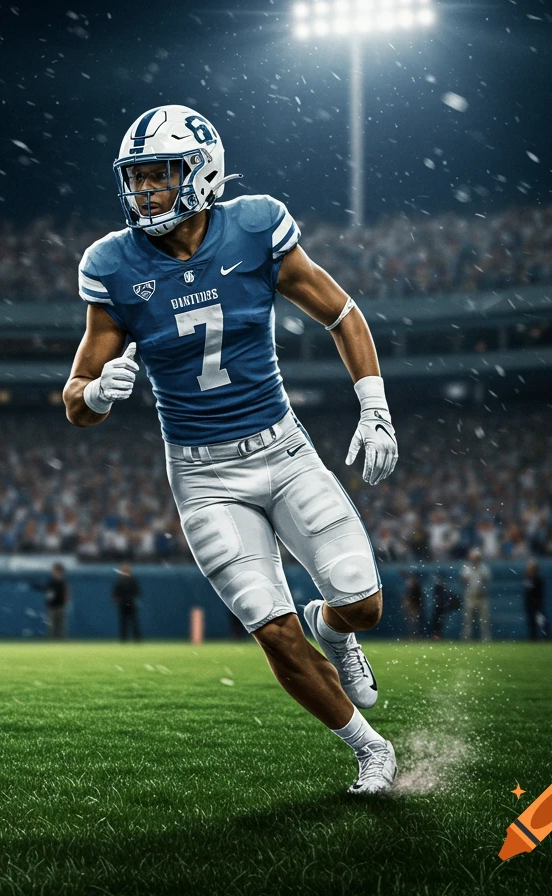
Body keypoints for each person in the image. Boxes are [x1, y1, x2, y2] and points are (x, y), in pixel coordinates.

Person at [64, 105, 400, 795]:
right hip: (202, 475)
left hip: (283, 450)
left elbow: (340, 311)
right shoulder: (112, 264)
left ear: (202, 173)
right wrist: (97, 394)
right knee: (272, 631)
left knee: (363, 605)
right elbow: (74, 396)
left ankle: (334, 628)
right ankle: (370, 749)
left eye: (160, 177)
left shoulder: (255, 225)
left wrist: (375, 407)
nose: (145, 193)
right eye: (137, 179)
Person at [33, 563, 71, 640]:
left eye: (56, 571)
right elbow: (47, 591)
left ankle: (62, 644)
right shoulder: (51, 582)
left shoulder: (63, 583)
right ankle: (51, 644)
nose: (54, 573)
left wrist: (66, 603)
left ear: (60, 572)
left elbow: (67, 594)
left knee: (61, 628)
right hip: (52, 608)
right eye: (54, 571)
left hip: (60, 607)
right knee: (51, 628)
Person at [460, 548, 492, 641]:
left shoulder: (483, 568)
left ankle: (486, 639)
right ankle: (466, 638)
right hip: (470, 596)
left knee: (484, 620)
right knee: (467, 619)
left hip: (482, 596)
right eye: (473, 557)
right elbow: (463, 580)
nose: (474, 559)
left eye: (476, 557)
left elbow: (487, 580)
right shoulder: (466, 568)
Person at [112, 563, 142, 642]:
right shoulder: (123, 581)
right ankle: (127, 639)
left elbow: (137, 591)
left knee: (130, 622)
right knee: (127, 622)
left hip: (128, 603)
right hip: (126, 603)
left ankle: (132, 639)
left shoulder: (130, 580)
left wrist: (117, 599)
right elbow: (115, 593)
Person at [522, 559, 547, 640]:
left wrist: (538, 602)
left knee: (541, 622)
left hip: (537, 605)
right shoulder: (527, 578)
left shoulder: (538, 579)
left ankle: (545, 638)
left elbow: (539, 593)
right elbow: (526, 591)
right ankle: (533, 638)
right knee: (531, 622)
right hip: (530, 605)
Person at [430, 573, 457, 640]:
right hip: (439, 607)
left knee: (439, 622)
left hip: (441, 607)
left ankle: (438, 635)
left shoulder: (443, 588)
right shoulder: (439, 588)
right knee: (437, 622)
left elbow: (445, 598)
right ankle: (436, 635)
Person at [401, 571, 424, 639]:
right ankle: (412, 635)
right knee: (411, 623)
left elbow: (417, 600)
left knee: (414, 623)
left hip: (414, 608)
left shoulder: (416, 590)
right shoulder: (412, 590)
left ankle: (414, 636)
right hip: (411, 607)